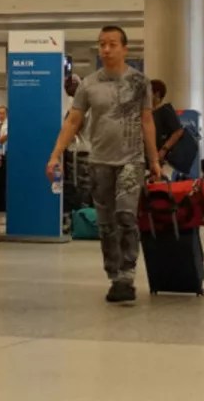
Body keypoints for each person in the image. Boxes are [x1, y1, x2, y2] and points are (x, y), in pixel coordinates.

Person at [46, 26, 160, 305]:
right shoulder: (88, 84)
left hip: (132, 160)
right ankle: (113, 274)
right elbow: (73, 121)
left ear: (124, 49)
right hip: (99, 161)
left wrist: (154, 160)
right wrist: (55, 154)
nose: (106, 49)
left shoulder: (139, 83)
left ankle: (127, 273)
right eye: (102, 44)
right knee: (106, 223)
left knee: (125, 214)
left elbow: (147, 121)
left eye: (112, 44)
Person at [150, 79, 185, 176]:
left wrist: (164, 150)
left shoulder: (165, 110)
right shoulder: (148, 111)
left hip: (158, 156)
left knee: (156, 181)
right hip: (147, 155)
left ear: (156, 94)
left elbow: (178, 131)